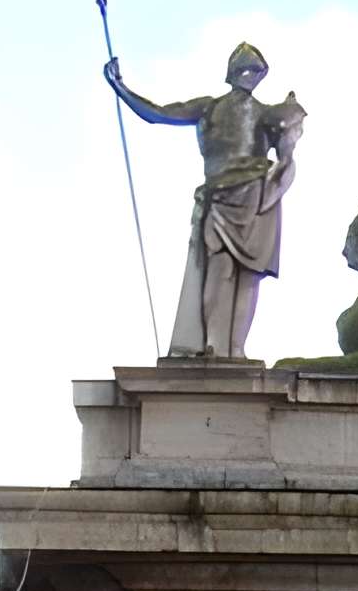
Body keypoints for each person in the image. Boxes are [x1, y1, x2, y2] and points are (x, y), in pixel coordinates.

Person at [106, 42, 306, 360]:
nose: (250, 75)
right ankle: (215, 342)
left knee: (248, 275)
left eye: (256, 70)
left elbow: (287, 150)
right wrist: (121, 88)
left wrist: (290, 131)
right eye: (246, 69)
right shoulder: (209, 108)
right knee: (221, 268)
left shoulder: (267, 114)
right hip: (222, 197)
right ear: (233, 73)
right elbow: (159, 114)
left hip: (258, 198)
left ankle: (235, 348)